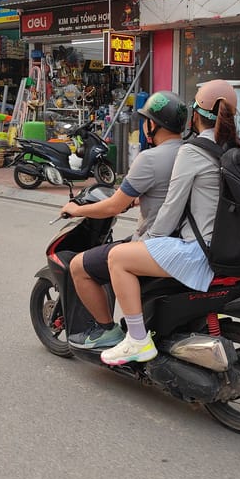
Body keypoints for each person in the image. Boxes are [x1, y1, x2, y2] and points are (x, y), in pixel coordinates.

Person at [100, 80, 240, 366]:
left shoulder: (193, 151)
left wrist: (143, 242)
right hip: (231, 248)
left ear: (195, 115)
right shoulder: (235, 147)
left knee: (117, 258)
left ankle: (138, 340)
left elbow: (171, 210)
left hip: (201, 252)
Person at [59, 91, 188, 350]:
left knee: (79, 266)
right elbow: (170, 191)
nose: (144, 125)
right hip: (183, 239)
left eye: (145, 120)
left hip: (155, 243)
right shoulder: (190, 153)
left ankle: (107, 330)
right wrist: (141, 199)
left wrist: (77, 210)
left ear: (153, 124)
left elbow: (113, 206)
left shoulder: (149, 159)